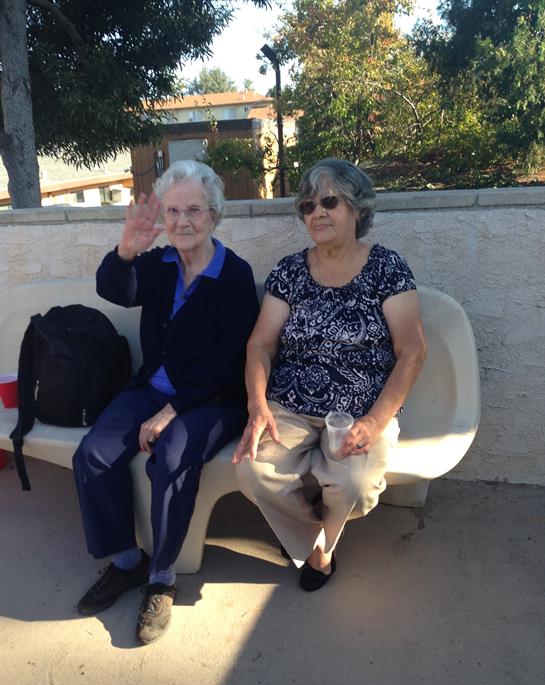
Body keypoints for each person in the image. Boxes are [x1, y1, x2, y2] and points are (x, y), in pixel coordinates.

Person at [73, 160, 259, 644]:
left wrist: (172, 411)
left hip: (214, 399)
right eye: (173, 211)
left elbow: (229, 358)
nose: (181, 221)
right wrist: (125, 253)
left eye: (193, 210)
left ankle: (162, 578)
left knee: (172, 458)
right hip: (152, 389)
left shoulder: (234, 275)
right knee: (92, 455)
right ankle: (126, 561)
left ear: (214, 214)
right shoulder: (157, 264)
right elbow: (114, 289)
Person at [233, 158, 426, 592]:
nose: (316, 212)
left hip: (362, 408)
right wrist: (257, 404)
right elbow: (260, 344)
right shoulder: (289, 271)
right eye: (307, 206)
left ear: (357, 207)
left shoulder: (387, 268)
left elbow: (412, 349)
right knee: (251, 470)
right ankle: (318, 543)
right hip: (291, 401)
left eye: (329, 201)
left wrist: (377, 421)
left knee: (355, 485)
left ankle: (313, 541)